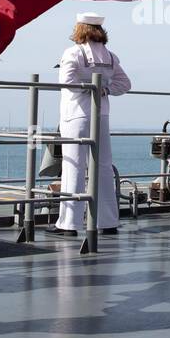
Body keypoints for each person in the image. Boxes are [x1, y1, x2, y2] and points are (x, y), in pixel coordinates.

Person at [49, 13, 132, 238]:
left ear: (80, 29)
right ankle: (107, 222)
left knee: (73, 166)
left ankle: (69, 223)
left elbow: (66, 82)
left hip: (76, 116)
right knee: (103, 167)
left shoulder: (72, 53)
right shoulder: (110, 57)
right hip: (101, 115)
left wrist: (87, 87)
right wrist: (103, 89)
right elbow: (125, 83)